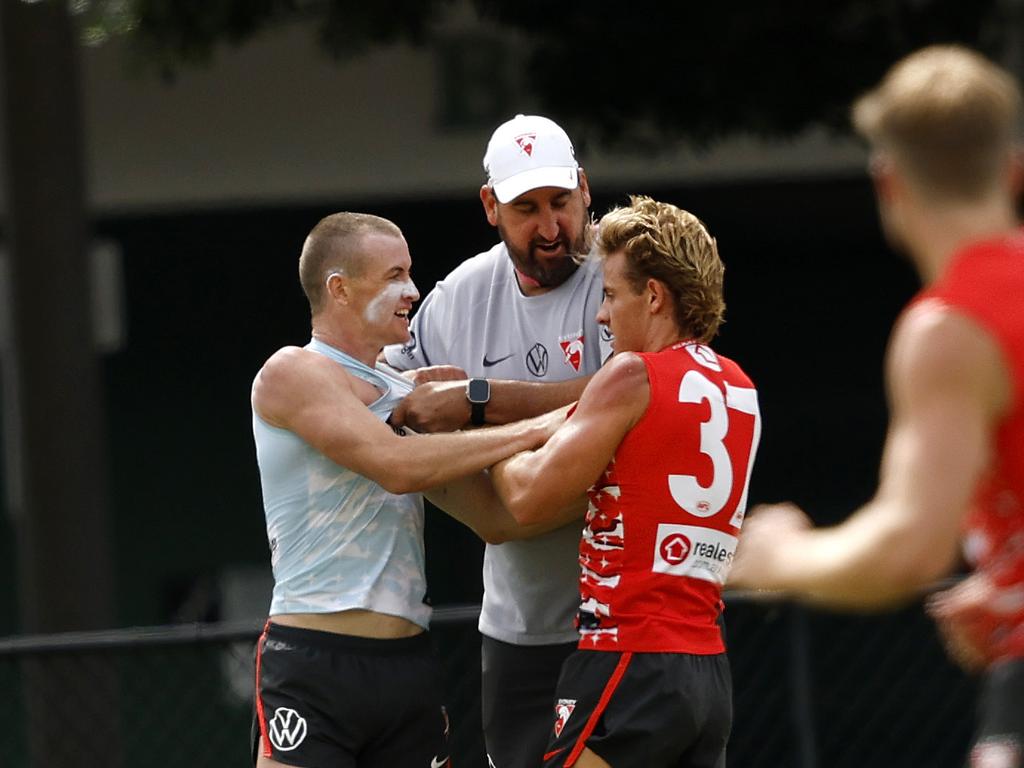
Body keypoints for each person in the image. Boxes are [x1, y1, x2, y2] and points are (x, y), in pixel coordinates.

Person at [728, 45, 1024, 767]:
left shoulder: (947, 331)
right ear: (1014, 170)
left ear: (888, 184)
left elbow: (909, 547)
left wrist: (779, 555)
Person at [249, 211, 579, 768]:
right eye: (394, 275)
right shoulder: (293, 371)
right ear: (340, 289)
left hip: (408, 663)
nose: (413, 290)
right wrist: (543, 423)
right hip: (314, 661)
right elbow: (394, 465)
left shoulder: (409, 395)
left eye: (411, 273)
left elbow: (497, 520)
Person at [489, 195, 762, 767]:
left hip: (628, 657)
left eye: (611, 294)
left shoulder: (632, 373)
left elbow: (526, 498)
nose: (601, 316)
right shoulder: (740, 386)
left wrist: (486, 439)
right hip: (706, 670)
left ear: (655, 295)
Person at [383, 114, 612, 766]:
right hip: (517, 627)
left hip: (623, 621)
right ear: (490, 205)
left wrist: (476, 402)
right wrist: (495, 506)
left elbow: (636, 391)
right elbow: (388, 411)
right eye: (526, 208)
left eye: (561, 203)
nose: (549, 228)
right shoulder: (457, 298)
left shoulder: (621, 275)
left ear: (585, 188)